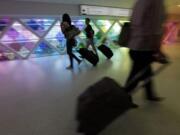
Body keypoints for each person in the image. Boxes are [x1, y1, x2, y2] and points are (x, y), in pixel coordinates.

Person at [125, 0, 167, 102]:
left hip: (135, 46)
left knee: (146, 73)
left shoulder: (139, 2)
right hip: (144, 47)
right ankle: (123, 98)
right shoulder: (156, 2)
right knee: (135, 77)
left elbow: (134, 22)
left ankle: (149, 95)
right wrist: (157, 50)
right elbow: (154, 28)